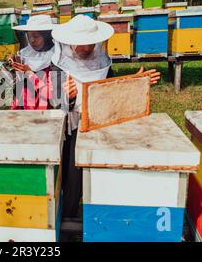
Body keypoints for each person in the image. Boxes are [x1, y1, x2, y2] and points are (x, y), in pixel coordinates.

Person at [51, 15, 161, 220]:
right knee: (73, 176)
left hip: (103, 124)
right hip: (75, 128)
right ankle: (68, 218)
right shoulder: (59, 67)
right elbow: (56, 103)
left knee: (104, 169)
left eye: (90, 44)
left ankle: (103, 215)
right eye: (81, 45)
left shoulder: (102, 62)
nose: (86, 49)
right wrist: (69, 97)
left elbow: (111, 90)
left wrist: (136, 82)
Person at [9, 15, 56, 110]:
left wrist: (30, 73)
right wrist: (15, 66)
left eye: (36, 36)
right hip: (24, 101)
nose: (32, 40)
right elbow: (20, 82)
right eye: (29, 36)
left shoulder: (56, 57)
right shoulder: (25, 53)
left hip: (43, 106)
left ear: (47, 36)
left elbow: (51, 93)